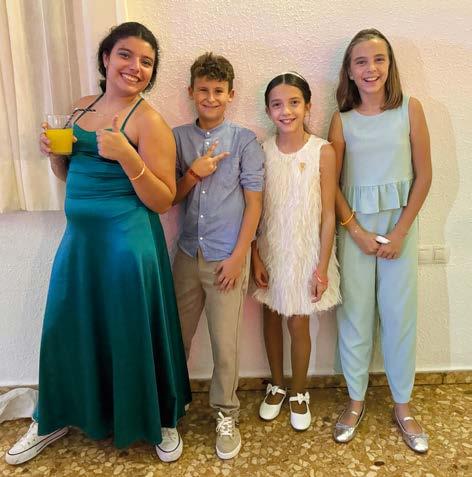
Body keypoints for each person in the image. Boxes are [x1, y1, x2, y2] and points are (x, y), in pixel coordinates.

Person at [5, 22, 191, 465]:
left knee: (132, 330)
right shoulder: (80, 108)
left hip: (128, 247)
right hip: (81, 243)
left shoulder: (149, 122)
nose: (136, 67)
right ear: (106, 59)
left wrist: (128, 157)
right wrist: (56, 157)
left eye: (147, 61)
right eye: (126, 55)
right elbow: (70, 176)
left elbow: (163, 199)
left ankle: (159, 418)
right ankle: (53, 417)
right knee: (68, 327)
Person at [329, 28, 432, 452]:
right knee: (354, 315)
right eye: (361, 62)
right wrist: (354, 230)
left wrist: (400, 232)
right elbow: (332, 183)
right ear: (350, 71)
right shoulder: (342, 120)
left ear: (390, 65)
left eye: (378, 59)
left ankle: (402, 405)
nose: (371, 68)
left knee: (399, 316)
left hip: (399, 227)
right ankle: (355, 401)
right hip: (353, 229)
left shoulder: (410, 109)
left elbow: (424, 175)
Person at [172, 52, 264, 459]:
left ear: (231, 95)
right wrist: (194, 172)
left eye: (218, 91)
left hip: (227, 257)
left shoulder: (244, 141)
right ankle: (171, 405)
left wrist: (240, 255)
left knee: (225, 344)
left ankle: (226, 413)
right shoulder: (176, 138)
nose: (210, 98)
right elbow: (169, 198)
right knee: (175, 337)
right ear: (191, 92)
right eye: (203, 90)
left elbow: (255, 204)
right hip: (186, 255)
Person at [251, 72, 341, 431]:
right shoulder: (262, 151)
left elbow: (329, 214)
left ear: (307, 106)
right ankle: (276, 384)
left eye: (293, 103)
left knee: (299, 321)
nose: (285, 111)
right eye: (277, 104)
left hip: (307, 252)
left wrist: (322, 267)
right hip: (271, 248)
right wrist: (255, 255)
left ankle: (300, 391)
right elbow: (253, 209)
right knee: (271, 316)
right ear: (268, 111)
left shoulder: (323, 151)